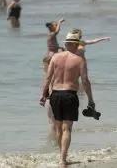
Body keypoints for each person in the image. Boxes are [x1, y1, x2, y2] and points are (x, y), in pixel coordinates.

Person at [39, 32, 95, 167]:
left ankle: (61, 157)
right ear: (76, 45)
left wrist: (43, 94)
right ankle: (63, 159)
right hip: (70, 95)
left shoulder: (55, 57)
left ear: (65, 44)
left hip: (56, 95)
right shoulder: (79, 60)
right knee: (67, 129)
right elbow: (85, 81)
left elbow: (48, 77)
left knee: (58, 128)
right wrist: (90, 99)